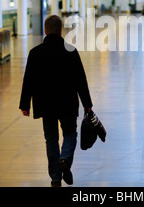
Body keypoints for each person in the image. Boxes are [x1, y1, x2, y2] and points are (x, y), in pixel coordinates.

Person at [19, 15, 93, 187]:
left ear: (45, 30)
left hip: (45, 104)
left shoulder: (35, 53)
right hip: (67, 102)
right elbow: (81, 80)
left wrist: (25, 105)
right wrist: (87, 103)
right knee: (69, 134)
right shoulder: (71, 51)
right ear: (61, 31)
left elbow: (28, 80)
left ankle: (55, 178)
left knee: (51, 139)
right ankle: (65, 159)